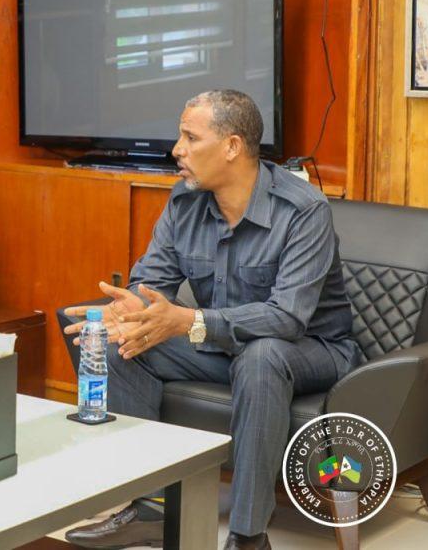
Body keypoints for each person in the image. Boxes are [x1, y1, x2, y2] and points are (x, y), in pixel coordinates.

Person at [62, 90, 362, 550]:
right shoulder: (185, 202)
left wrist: (189, 321)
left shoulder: (304, 211)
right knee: (116, 339)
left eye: (189, 137)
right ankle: (151, 508)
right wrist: (130, 310)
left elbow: (287, 319)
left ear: (232, 146)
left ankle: (248, 536)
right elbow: (153, 283)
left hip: (311, 350)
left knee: (261, 356)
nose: (176, 150)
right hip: (221, 345)